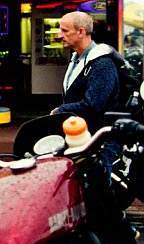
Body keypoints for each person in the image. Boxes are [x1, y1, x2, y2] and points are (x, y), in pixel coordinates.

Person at [51, 11, 122, 177]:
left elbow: (94, 104)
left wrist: (60, 110)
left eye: (65, 30)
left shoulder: (102, 63)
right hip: (83, 134)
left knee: (99, 183)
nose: (59, 35)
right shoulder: (78, 59)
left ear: (81, 32)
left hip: (101, 136)